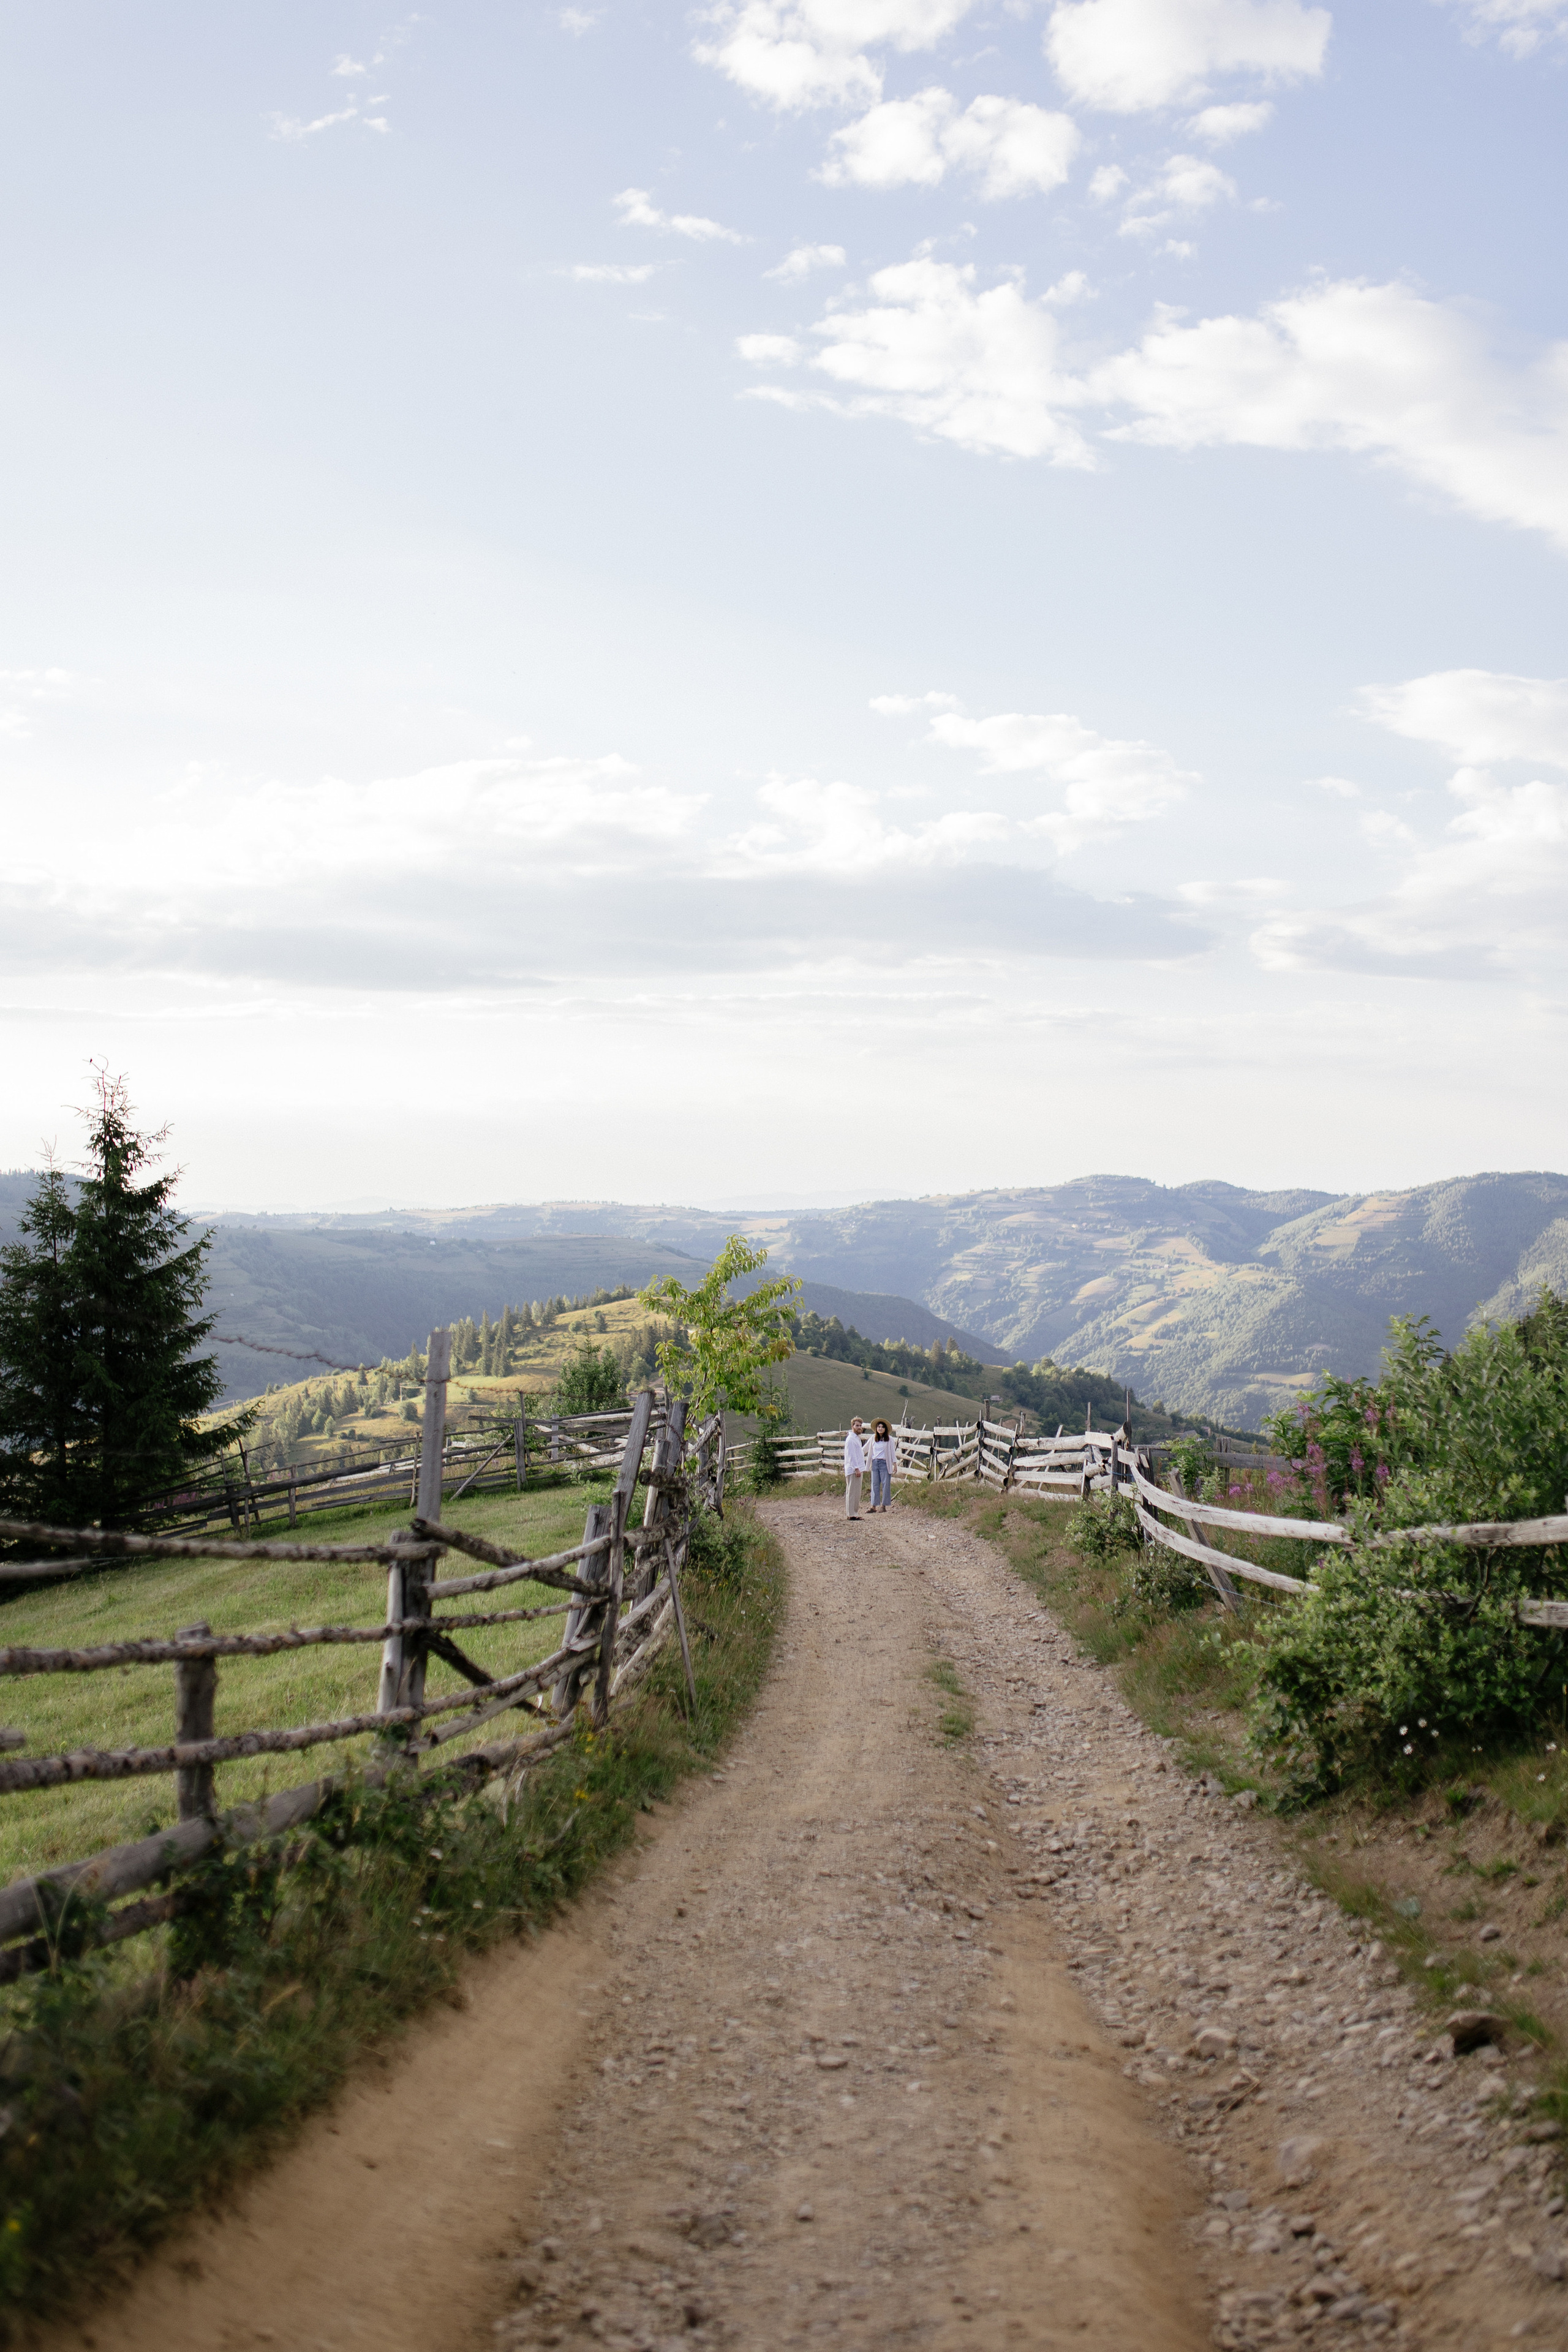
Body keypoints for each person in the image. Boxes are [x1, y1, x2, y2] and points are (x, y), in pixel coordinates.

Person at [869, 1418, 894, 1512]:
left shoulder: (889, 1439)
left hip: (885, 1463)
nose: (881, 1429)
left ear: (885, 1429)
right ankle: (874, 1506)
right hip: (875, 1463)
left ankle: (884, 1505)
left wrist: (894, 1464)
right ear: (876, 1428)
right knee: (875, 1484)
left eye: (883, 1427)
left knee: (885, 1484)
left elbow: (892, 1452)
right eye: (879, 1427)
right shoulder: (873, 1438)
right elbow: (866, 1449)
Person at [844, 1417, 866, 1519]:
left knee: (857, 1492)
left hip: (858, 1468)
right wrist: (856, 1468)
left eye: (860, 1426)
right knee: (852, 1492)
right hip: (853, 1470)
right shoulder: (851, 1439)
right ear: (852, 1426)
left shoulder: (856, 1438)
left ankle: (854, 1512)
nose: (859, 1428)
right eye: (857, 1426)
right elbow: (851, 1455)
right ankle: (851, 1514)